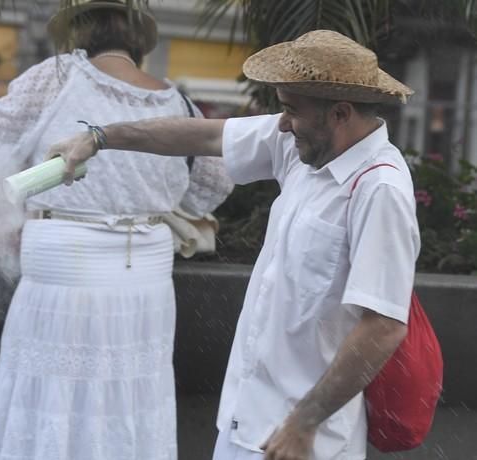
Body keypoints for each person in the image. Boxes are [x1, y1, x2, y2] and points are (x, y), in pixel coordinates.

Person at [49, 30, 420, 460]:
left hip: (303, 440)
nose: (281, 123)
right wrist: (99, 138)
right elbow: (203, 137)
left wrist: (305, 422)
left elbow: (384, 326)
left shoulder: (380, 189)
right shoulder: (306, 145)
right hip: (246, 417)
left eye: (291, 110)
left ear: (340, 113)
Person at [0, 1, 233, 459]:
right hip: (144, 271)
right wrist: (153, 199)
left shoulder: (55, 75)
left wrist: (21, 185)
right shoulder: (178, 99)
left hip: (62, 258)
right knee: (128, 388)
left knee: (51, 384)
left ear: (79, 37)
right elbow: (214, 181)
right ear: (138, 45)